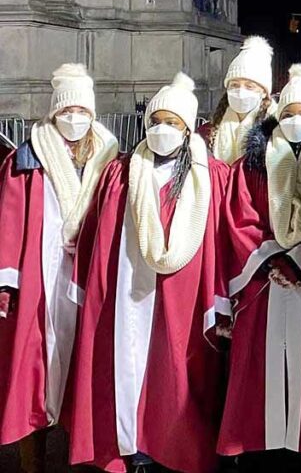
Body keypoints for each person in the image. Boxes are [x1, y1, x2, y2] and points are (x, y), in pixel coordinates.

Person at [64, 72, 229, 473]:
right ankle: (131, 448)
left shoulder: (209, 176)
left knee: (175, 374)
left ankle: (172, 449)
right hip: (126, 290)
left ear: (188, 128)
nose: (162, 130)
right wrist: (89, 284)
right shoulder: (121, 172)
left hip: (183, 297)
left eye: (172, 124)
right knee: (124, 367)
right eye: (156, 122)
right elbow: (96, 230)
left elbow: (222, 238)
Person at [216, 64, 301, 467]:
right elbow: (239, 220)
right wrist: (274, 259)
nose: (295, 121)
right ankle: (259, 444)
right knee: (259, 370)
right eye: (289, 113)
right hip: (265, 285)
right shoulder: (252, 165)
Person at [0, 64, 119, 473]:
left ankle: (80, 453)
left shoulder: (107, 160)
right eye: (67, 111)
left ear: (93, 114)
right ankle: (32, 456)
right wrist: (7, 282)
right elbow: (9, 222)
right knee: (35, 369)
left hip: (88, 276)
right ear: (54, 113)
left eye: (82, 111)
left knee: (83, 367)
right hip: (41, 277)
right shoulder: (28, 159)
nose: (74, 119)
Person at [199, 35, 277, 164]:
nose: (241, 91)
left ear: (263, 92)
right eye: (234, 85)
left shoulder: (274, 129)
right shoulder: (208, 132)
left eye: (249, 86)